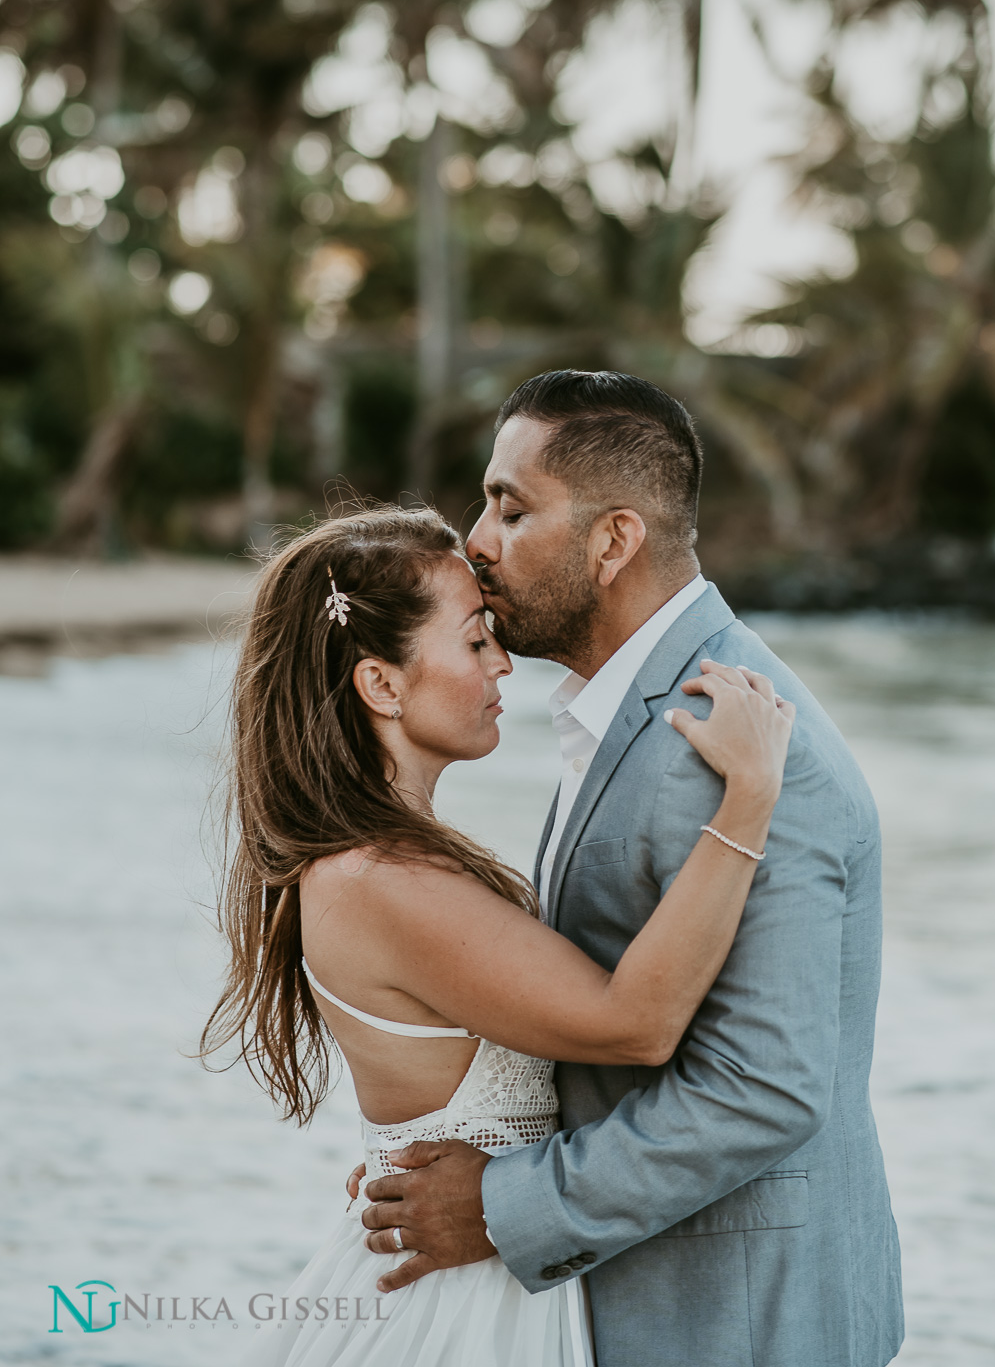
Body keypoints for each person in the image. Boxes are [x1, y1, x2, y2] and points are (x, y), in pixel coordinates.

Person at [358, 371, 904, 1367]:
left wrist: (499, 1205)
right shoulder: (634, 716)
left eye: (509, 508)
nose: (475, 540)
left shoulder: (740, 747)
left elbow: (765, 1090)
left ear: (612, 542)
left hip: (739, 1323)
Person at [202, 500, 793, 1366]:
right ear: (382, 684)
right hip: (457, 1306)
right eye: (476, 640)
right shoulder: (380, 880)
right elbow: (638, 1022)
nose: (503, 665)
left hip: (479, 1268)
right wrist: (749, 796)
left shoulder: (381, 864)